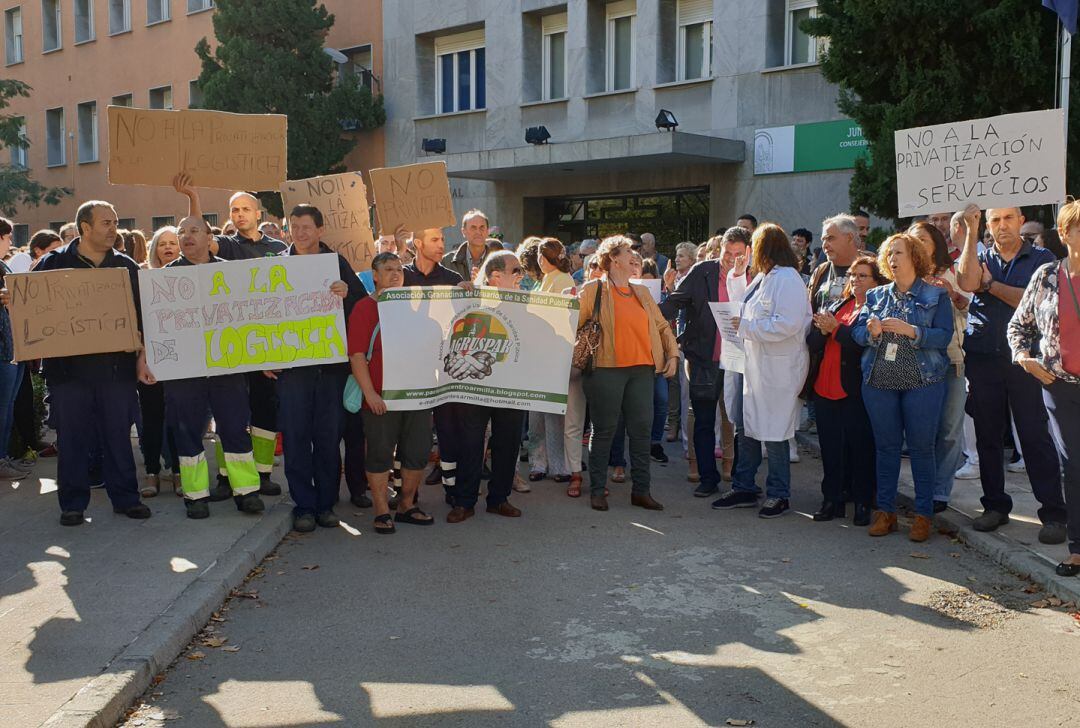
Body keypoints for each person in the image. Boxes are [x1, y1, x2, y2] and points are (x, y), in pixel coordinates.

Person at [6, 201, 154, 525]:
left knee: (118, 437)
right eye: (106, 223)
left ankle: (126, 499)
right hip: (68, 373)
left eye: (115, 222)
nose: (114, 229)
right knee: (72, 440)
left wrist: (143, 358)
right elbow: (30, 305)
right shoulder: (52, 263)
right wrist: (13, 302)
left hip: (117, 372)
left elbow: (146, 318)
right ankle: (73, 504)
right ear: (85, 228)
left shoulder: (126, 267)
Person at [957, 205, 1067, 543]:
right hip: (982, 356)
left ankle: (1053, 513)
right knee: (988, 434)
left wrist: (992, 286)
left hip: (1026, 358)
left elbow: (1032, 303)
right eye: (994, 220)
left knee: (1034, 435)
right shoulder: (980, 255)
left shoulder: (1042, 257)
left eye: (1008, 219)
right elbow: (967, 282)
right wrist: (971, 231)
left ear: (1020, 222)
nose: (1001, 226)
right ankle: (995, 506)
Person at [174, 174, 287, 496]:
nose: (239, 214)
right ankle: (227, 477)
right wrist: (193, 197)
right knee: (231, 416)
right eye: (234, 210)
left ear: (258, 215)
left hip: (265, 344)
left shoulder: (279, 249)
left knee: (265, 412)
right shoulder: (225, 245)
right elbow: (196, 237)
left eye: (245, 209)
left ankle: (262, 475)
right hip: (231, 346)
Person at [160, 217, 264, 518]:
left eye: (194, 231)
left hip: (227, 369)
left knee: (234, 429)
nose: (186, 236)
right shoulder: (164, 279)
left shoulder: (229, 273)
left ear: (210, 237)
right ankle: (195, 496)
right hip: (184, 373)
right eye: (181, 232)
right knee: (187, 431)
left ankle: (246, 492)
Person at [851, 233, 954, 542]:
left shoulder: (937, 296)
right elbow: (856, 333)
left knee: (922, 448)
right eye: (890, 254)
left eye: (900, 253)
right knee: (886, 447)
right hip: (879, 380)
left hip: (924, 381)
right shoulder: (876, 296)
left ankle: (923, 516)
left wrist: (913, 331)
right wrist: (870, 332)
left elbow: (944, 336)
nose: (893, 259)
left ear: (915, 258)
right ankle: (886, 512)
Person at [270, 204, 366, 532]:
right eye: (293, 226)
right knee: (296, 438)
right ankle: (304, 506)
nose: (299, 232)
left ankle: (326, 504)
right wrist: (264, 358)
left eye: (306, 226)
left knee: (327, 438)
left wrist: (347, 293)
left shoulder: (336, 263)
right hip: (293, 371)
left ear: (320, 230)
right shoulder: (277, 266)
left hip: (331, 371)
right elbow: (264, 315)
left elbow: (363, 306)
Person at [712, 224, 811, 518]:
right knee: (748, 427)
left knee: (775, 432)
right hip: (755, 366)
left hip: (777, 370)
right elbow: (743, 303)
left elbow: (788, 323)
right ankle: (744, 485)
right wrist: (739, 273)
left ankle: (779, 493)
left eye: (754, 247)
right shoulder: (765, 278)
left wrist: (747, 328)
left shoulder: (788, 279)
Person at [579, 236, 678, 512]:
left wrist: (672, 354)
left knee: (642, 431)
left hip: (643, 370)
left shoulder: (642, 292)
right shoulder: (592, 290)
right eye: (628, 252)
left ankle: (641, 491)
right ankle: (597, 491)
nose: (635, 256)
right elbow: (571, 326)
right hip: (605, 371)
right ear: (613, 259)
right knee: (604, 432)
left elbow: (661, 326)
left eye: (636, 252)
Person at [1008, 199, 1080, 577]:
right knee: (1074, 466)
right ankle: (1077, 550)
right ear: (1065, 234)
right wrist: (1024, 358)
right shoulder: (1047, 275)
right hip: (1059, 385)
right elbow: (1018, 325)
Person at [348, 251, 434, 534]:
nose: (396, 274)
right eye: (388, 269)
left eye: (399, 269)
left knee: (418, 451)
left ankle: (407, 505)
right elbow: (357, 355)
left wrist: (462, 291)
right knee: (380, 453)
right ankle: (382, 509)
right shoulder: (364, 308)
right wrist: (370, 394)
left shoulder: (414, 304)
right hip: (382, 396)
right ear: (375, 275)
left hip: (416, 394)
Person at [661, 229, 749, 497]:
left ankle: (741, 478)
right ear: (719, 249)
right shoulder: (703, 271)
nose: (732, 260)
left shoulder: (755, 276)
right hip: (704, 358)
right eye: (727, 254)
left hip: (742, 360)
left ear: (748, 253)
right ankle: (707, 477)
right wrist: (648, 311)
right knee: (703, 419)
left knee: (740, 420)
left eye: (739, 255)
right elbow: (677, 301)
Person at [446, 251, 530, 523]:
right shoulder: (472, 299)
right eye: (515, 270)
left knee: (508, 442)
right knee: (470, 442)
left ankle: (499, 499)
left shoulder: (527, 303)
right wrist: (458, 294)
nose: (522, 275)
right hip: (476, 386)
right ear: (496, 277)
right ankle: (464, 501)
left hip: (512, 386)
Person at [807, 255, 885, 525]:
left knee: (861, 448)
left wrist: (836, 329)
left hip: (855, 388)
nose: (856, 280)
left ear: (877, 281)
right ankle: (831, 500)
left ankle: (863, 502)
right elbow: (813, 342)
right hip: (824, 386)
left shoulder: (877, 307)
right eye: (853, 275)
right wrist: (823, 329)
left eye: (863, 275)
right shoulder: (840, 303)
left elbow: (865, 343)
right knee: (830, 448)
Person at [909, 220, 971, 513]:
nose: (916, 244)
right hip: (914, 364)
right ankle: (923, 487)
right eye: (911, 239)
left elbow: (970, 310)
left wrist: (953, 294)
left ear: (936, 243)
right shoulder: (903, 277)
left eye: (922, 238)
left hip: (949, 362)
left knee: (948, 430)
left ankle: (940, 493)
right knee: (922, 431)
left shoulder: (953, 273)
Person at [402, 227, 465, 496]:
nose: (442, 245)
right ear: (418, 243)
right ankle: (406, 493)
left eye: (442, 240)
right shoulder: (400, 276)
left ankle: (452, 489)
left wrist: (467, 294)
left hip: (444, 369)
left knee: (449, 430)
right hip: (409, 368)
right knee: (409, 432)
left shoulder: (453, 278)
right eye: (435, 240)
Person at [137, 227, 182, 497]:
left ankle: (179, 472)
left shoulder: (192, 277)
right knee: (152, 419)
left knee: (178, 419)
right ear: (154, 249)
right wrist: (142, 358)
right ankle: (152, 472)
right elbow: (140, 325)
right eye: (162, 243)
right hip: (151, 361)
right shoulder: (144, 279)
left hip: (183, 362)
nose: (167, 248)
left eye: (173, 243)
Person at [528, 238, 574, 483]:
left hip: (554, 353)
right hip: (537, 354)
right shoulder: (544, 280)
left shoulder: (564, 279)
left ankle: (558, 466)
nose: (539, 261)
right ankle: (538, 462)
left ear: (546, 258)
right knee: (536, 414)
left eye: (541, 257)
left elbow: (564, 318)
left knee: (553, 414)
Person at [0, 218, 30, 479]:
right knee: (2, 407)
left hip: (13, 350)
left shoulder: (3, 266)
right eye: (9, 237)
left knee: (8, 406)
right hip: (3, 352)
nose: (11, 242)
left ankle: (5, 457)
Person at [810, 214, 863, 314]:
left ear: (849, 238)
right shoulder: (820, 271)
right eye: (823, 240)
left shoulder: (872, 269)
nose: (824, 245)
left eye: (830, 238)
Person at [442, 209, 490, 281]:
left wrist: (485, 282)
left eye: (482, 228)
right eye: (473, 228)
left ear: (487, 231)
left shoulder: (499, 262)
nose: (478, 232)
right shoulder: (447, 262)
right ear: (464, 232)